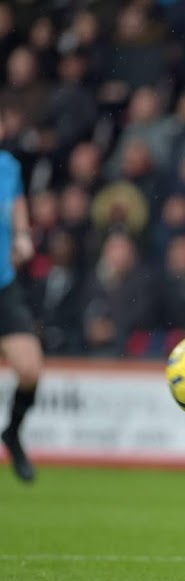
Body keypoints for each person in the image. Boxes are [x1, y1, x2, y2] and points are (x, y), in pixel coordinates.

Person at [0, 149, 44, 483]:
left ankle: (12, 433)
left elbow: (15, 202)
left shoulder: (8, 165)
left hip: (3, 284)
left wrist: (22, 235)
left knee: (30, 368)